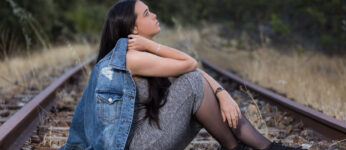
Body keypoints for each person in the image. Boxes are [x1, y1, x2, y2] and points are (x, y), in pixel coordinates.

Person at [60, 0, 305, 150]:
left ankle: (249, 147)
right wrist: (153, 46)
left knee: (197, 90)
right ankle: (260, 148)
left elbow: (191, 69)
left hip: (147, 139)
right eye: (147, 13)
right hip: (138, 145)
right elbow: (190, 64)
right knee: (192, 84)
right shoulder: (131, 58)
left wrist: (222, 95)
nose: (154, 15)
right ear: (133, 29)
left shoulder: (134, 56)